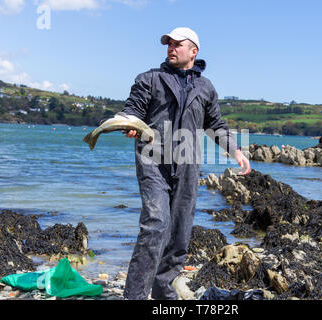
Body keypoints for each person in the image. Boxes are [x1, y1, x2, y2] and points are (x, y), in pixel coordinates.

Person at [120, 27, 251, 300]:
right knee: (156, 223)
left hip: (189, 165)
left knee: (180, 233)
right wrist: (128, 122)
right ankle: (134, 296)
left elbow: (215, 124)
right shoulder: (149, 79)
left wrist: (235, 151)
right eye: (168, 44)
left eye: (177, 44)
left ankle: (163, 292)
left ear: (194, 51)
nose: (171, 48)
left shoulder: (206, 87)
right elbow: (134, 107)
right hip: (153, 159)